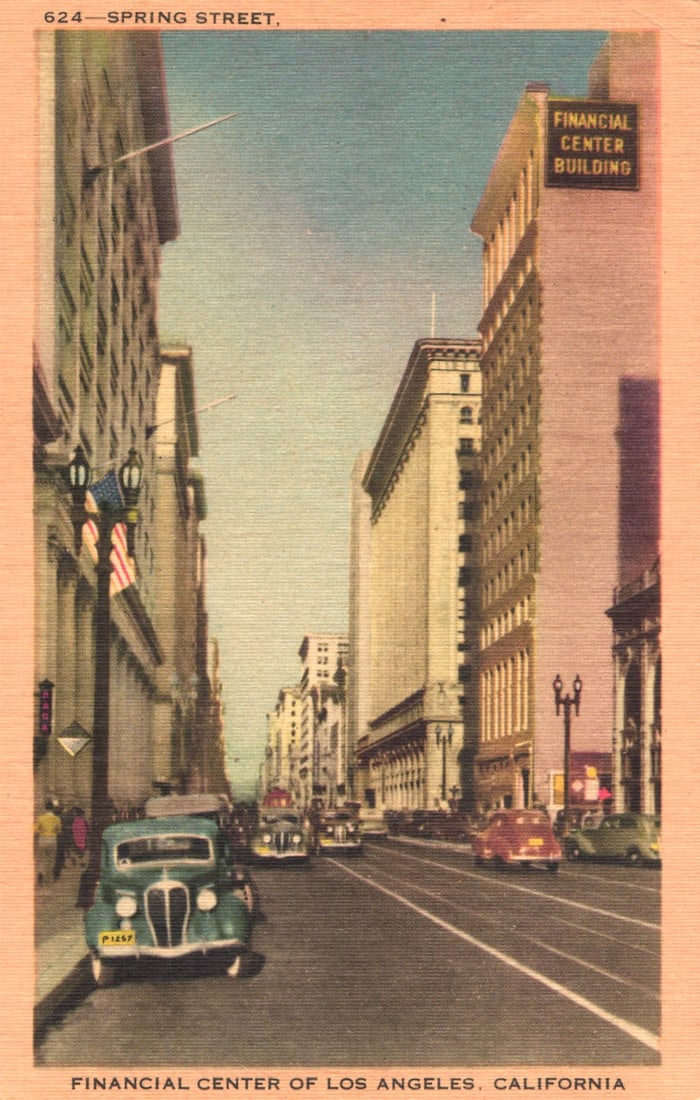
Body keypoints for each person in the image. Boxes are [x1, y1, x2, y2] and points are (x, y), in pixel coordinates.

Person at [34, 800, 62, 887]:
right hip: (52, 839)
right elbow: (59, 831)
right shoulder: (57, 818)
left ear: (45, 808)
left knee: (42, 859)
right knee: (51, 859)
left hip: (42, 839)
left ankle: (40, 873)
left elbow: (35, 830)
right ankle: (48, 879)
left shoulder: (40, 818)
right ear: (53, 808)